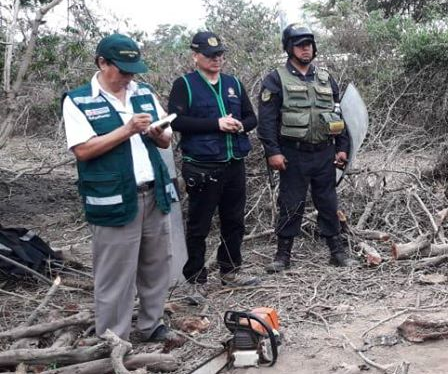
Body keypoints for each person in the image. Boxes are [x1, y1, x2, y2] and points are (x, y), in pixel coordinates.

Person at [62, 33, 180, 342]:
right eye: (123, 70)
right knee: (115, 274)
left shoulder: (143, 93)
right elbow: (83, 150)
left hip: (153, 192)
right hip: (113, 199)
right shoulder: (78, 100)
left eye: (133, 71)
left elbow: (166, 140)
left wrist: (156, 133)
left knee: (156, 266)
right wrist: (126, 130)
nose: (129, 77)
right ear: (102, 62)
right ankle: (114, 339)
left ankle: (152, 325)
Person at [167, 31, 259, 301]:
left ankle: (230, 271)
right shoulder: (184, 84)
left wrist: (241, 125)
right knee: (199, 225)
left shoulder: (233, 83)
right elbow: (175, 122)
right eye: (210, 55)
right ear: (195, 56)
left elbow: (251, 117)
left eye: (220, 55)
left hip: (234, 163)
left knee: (234, 221)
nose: (216, 59)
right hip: (203, 166)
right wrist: (215, 123)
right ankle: (195, 279)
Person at [257, 24, 355, 271]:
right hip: (293, 153)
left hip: (324, 152)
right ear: (289, 48)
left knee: (328, 203)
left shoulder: (325, 78)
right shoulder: (275, 79)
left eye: (309, 44)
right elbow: (267, 121)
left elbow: (337, 115)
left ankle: (337, 252)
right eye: (300, 45)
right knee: (291, 203)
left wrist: (342, 148)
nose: (305, 49)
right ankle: (283, 256)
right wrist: (273, 151)